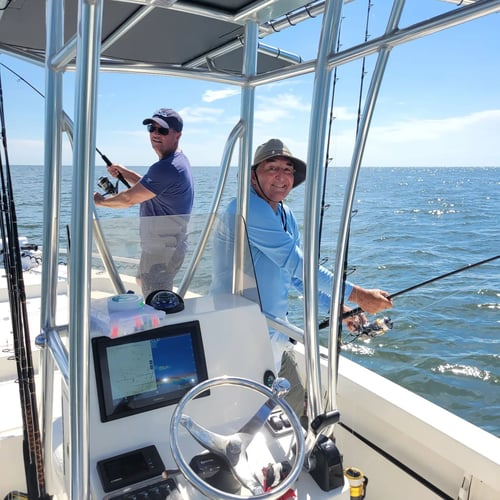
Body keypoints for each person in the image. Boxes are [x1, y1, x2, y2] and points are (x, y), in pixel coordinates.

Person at [212, 138, 392, 414]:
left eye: (287, 169)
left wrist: (340, 309)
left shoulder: (285, 214)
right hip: (240, 332)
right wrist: (358, 295)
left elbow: (296, 277)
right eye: (272, 168)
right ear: (252, 175)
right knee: (245, 412)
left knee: (294, 404)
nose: (281, 177)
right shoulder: (247, 207)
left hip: (272, 329)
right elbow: (295, 263)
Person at [94, 108, 194, 298]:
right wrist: (125, 172)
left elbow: (128, 199)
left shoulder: (167, 167)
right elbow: (151, 188)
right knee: (143, 281)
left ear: (177, 135)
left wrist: (98, 202)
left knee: (157, 302)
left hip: (162, 251)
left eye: (163, 130)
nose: (155, 134)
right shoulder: (178, 161)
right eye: (152, 128)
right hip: (168, 246)